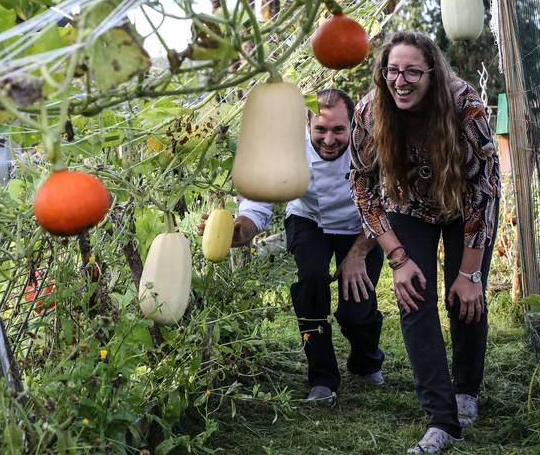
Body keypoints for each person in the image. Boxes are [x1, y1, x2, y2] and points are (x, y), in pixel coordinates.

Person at [349, 32, 500, 454]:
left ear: (432, 74)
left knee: (465, 298)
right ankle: (442, 419)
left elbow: (484, 190)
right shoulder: (368, 112)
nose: (402, 80)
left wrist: (470, 273)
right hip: (408, 208)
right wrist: (397, 259)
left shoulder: (463, 106)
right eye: (393, 70)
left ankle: (466, 389)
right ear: (382, 73)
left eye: (413, 71)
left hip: (464, 208)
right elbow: (362, 186)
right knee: (413, 298)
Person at [209, 88, 385, 409]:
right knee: (312, 281)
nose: (329, 139)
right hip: (308, 221)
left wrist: (357, 255)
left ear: (354, 126)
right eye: (320, 129)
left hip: (361, 227)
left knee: (356, 310)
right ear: (307, 125)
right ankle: (321, 377)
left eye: (338, 130)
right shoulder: (292, 151)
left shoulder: (372, 149)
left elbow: (387, 205)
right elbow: (260, 197)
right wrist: (243, 229)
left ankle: (367, 358)